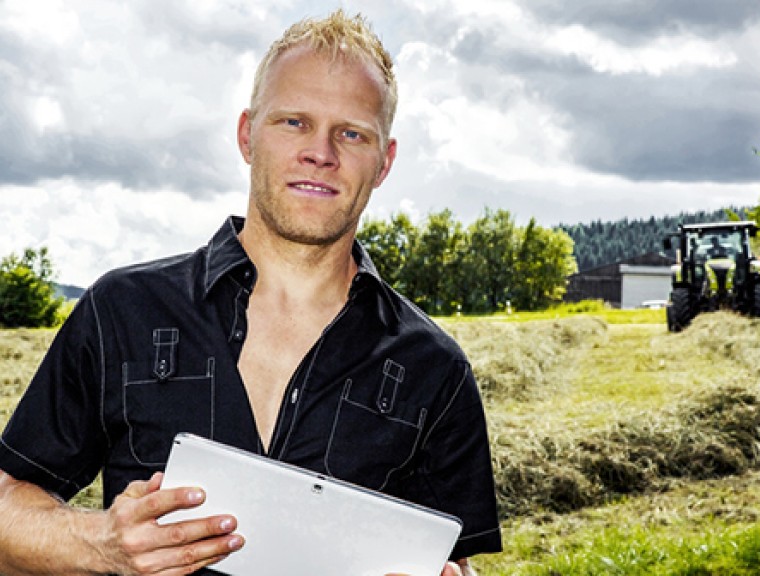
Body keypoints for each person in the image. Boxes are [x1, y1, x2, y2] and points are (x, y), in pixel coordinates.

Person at [0, 10, 502, 576]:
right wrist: (101, 544)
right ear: (246, 135)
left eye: (352, 133)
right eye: (293, 122)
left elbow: (455, 564)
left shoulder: (436, 369)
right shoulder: (120, 311)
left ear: (384, 162)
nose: (321, 152)